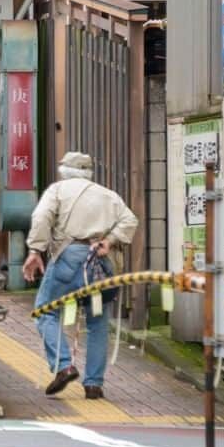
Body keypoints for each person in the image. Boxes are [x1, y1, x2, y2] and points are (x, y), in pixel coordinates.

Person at [22, 151, 138, 400]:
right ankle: (94, 384)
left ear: (64, 170)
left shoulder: (58, 190)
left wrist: (35, 250)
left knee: (46, 311)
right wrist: (109, 240)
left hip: (69, 258)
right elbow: (130, 220)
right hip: (102, 263)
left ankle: (64, 365)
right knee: (97, 322)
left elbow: (41, 216)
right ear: (88, 172)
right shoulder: (109, 195)